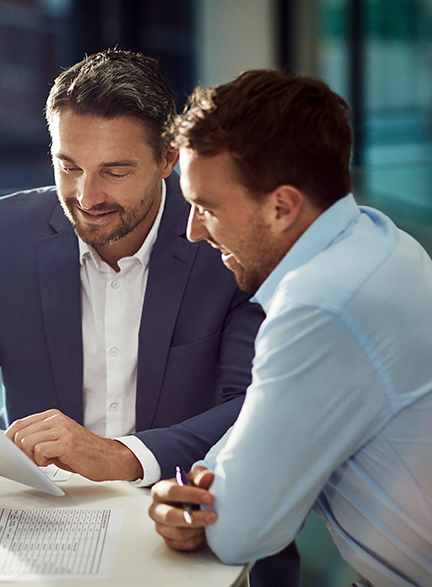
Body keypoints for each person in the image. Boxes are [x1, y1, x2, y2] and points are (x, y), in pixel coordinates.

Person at [0, 49, 263, 497]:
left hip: (177, 504)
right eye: (69, 167)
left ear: (168, 160)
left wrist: (122, 456)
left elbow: (253, 406)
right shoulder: (5, 234)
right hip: (39, 511)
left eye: (115, 171)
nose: (87, 196)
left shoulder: (223, 242)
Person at [148, 69, 432, 587]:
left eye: (206, 207)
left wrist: (203, 503)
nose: (192, 231)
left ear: (282, 207)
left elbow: (236, 532)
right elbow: (263, 422)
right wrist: (205, 482)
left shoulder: (320, 307)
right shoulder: (377, 237)